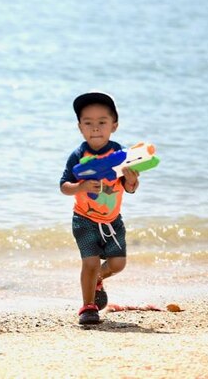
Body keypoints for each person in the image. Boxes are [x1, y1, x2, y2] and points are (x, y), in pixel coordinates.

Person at [59, 91, 141, 325]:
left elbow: (130, 187)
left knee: (118, 264)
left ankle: (98, 279)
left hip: (112, 219)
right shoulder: (77, 155)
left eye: (102, 122)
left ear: (114, 126)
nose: (95, 128)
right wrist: (81, 186)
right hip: (84, 218)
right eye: (88, 123)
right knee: (90, 262)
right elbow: (63, 186)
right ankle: (88, 307)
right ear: (80, 127)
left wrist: (132, 180)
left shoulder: (120, 154)